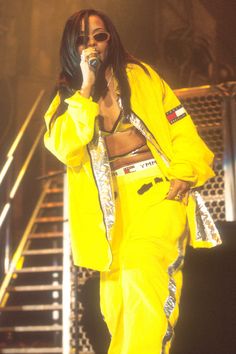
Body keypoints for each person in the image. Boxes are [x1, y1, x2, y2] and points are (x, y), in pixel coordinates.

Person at [44, 8, 221, 354]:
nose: (91, 45)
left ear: (111, 38)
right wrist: (86, 87)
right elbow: (66, 147)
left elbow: (180, 127)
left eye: (99, 35)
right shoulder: (67, 99)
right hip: (109, 216)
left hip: (157, 193)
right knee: (118, 307)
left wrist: (184, 173)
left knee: (143, 272)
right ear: (72, 46)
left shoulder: (141, 77)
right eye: (82, 40)